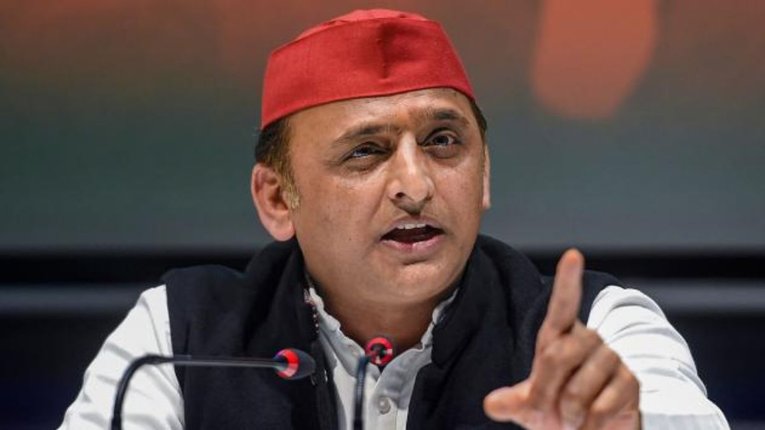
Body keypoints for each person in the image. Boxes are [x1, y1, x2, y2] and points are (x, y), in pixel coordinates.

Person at [59, 9, 728, 430]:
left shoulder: (598, 328)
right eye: (365, 151)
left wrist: (624, 424)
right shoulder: (178, 334)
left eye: (443, 142)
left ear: (484, 176)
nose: (415, 184)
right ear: (277, 199)